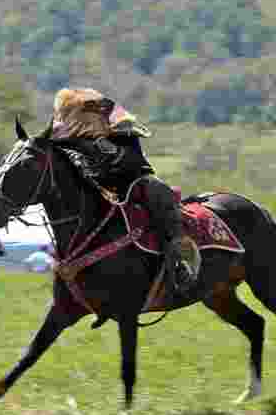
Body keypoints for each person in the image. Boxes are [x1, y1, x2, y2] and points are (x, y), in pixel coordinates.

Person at [50, 87, 200, 295]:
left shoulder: (120, 126)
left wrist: (105, 150)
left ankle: (179, 260)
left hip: (132, 180)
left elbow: (132, 160)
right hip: (92, 186)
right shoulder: (62, 134)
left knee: (159, 193)